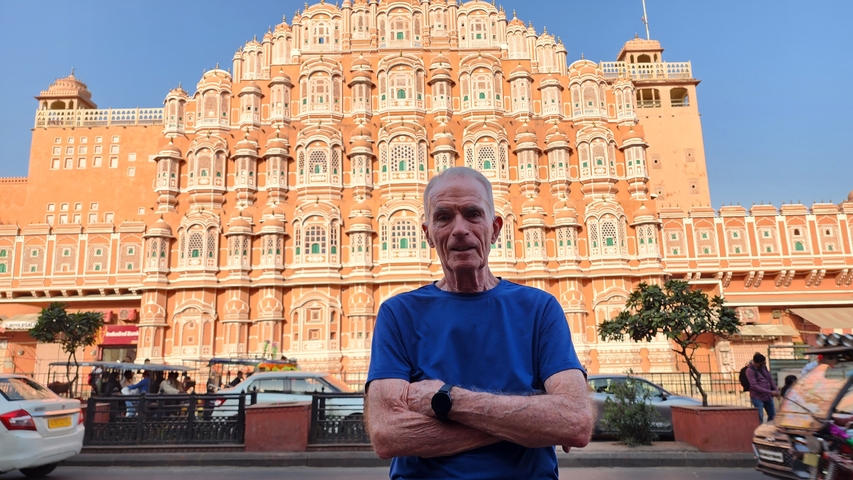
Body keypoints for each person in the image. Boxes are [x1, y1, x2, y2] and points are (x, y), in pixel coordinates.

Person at [365, 167, 594, 479]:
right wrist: (534, 420)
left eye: (473, 214)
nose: (460, 229)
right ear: (428, 233)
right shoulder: (398, 314)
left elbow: (575, 423)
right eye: (443, 217)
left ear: (495, 228)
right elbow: (387, 434)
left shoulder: (539, 309)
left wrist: (444, 399)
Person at [747, 353, 780, 424]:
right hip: (757, 397)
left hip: (768, 397)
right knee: (760, 417)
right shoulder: (750, 371)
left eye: (764, 363)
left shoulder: (764, 367)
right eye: (760, 364)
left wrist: (776, 390)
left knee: (772, 415)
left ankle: (769, 430)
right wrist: (770, 392)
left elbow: (770, 380)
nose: (762, 365)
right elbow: (754, 386)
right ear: (755, 362)